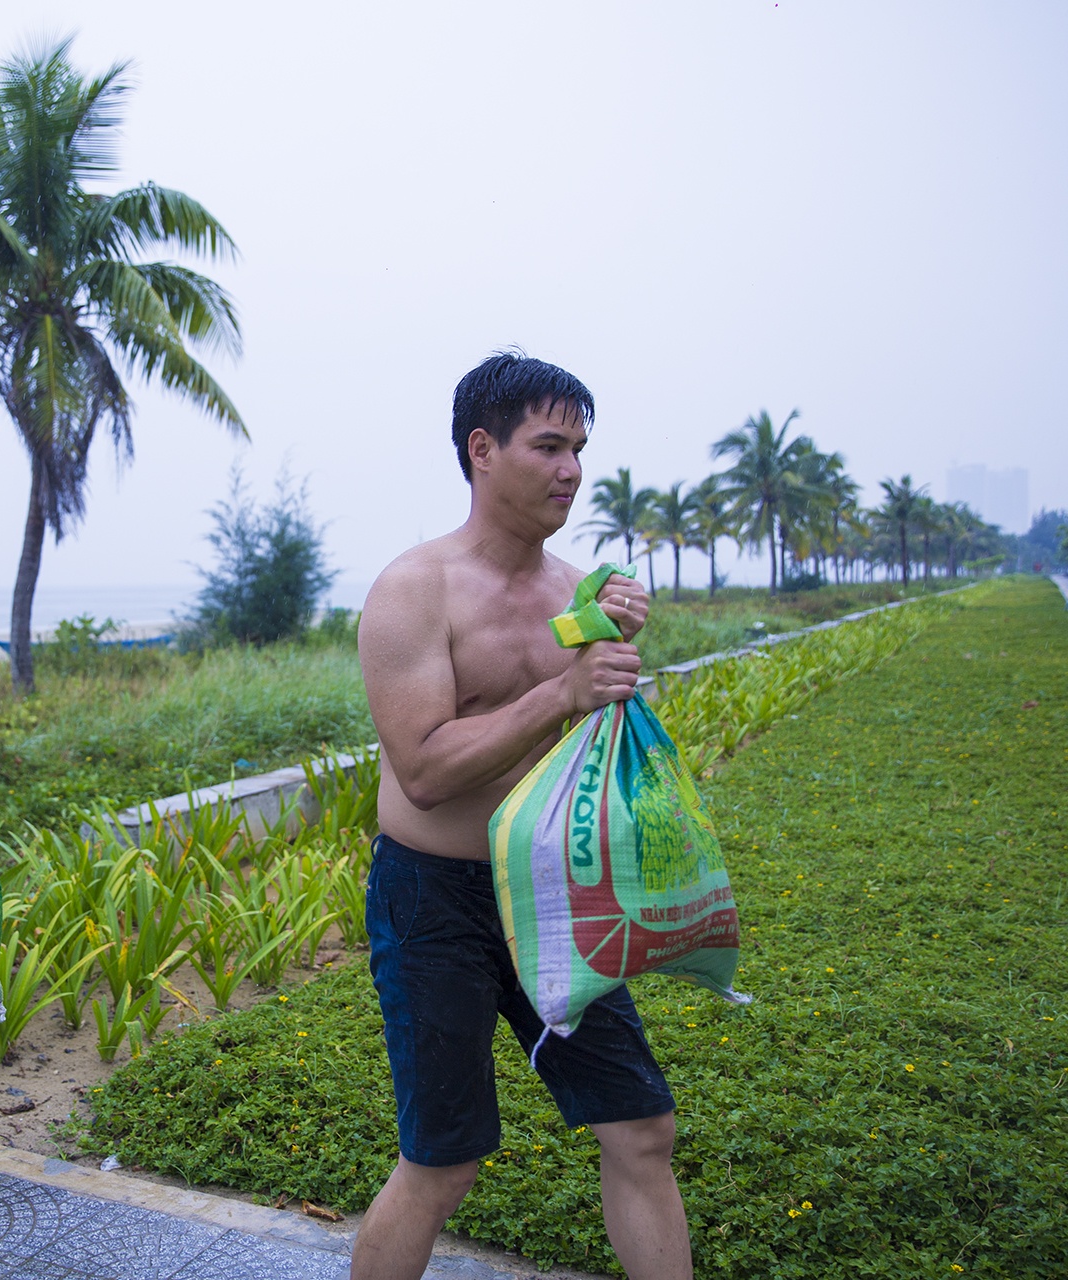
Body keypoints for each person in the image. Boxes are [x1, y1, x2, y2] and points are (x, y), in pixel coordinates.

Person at [350, 353, 690, 1280]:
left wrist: (612, 658)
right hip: (434, 901)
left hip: (547, 893)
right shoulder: (414, 590)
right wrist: (564, 689)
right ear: (483, 450)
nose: (572, 470)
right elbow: (422, 771)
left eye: (579, 449)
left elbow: (585, 738)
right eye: (549, 445)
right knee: (441, 1163)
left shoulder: (572, 595)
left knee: (641, 1128)